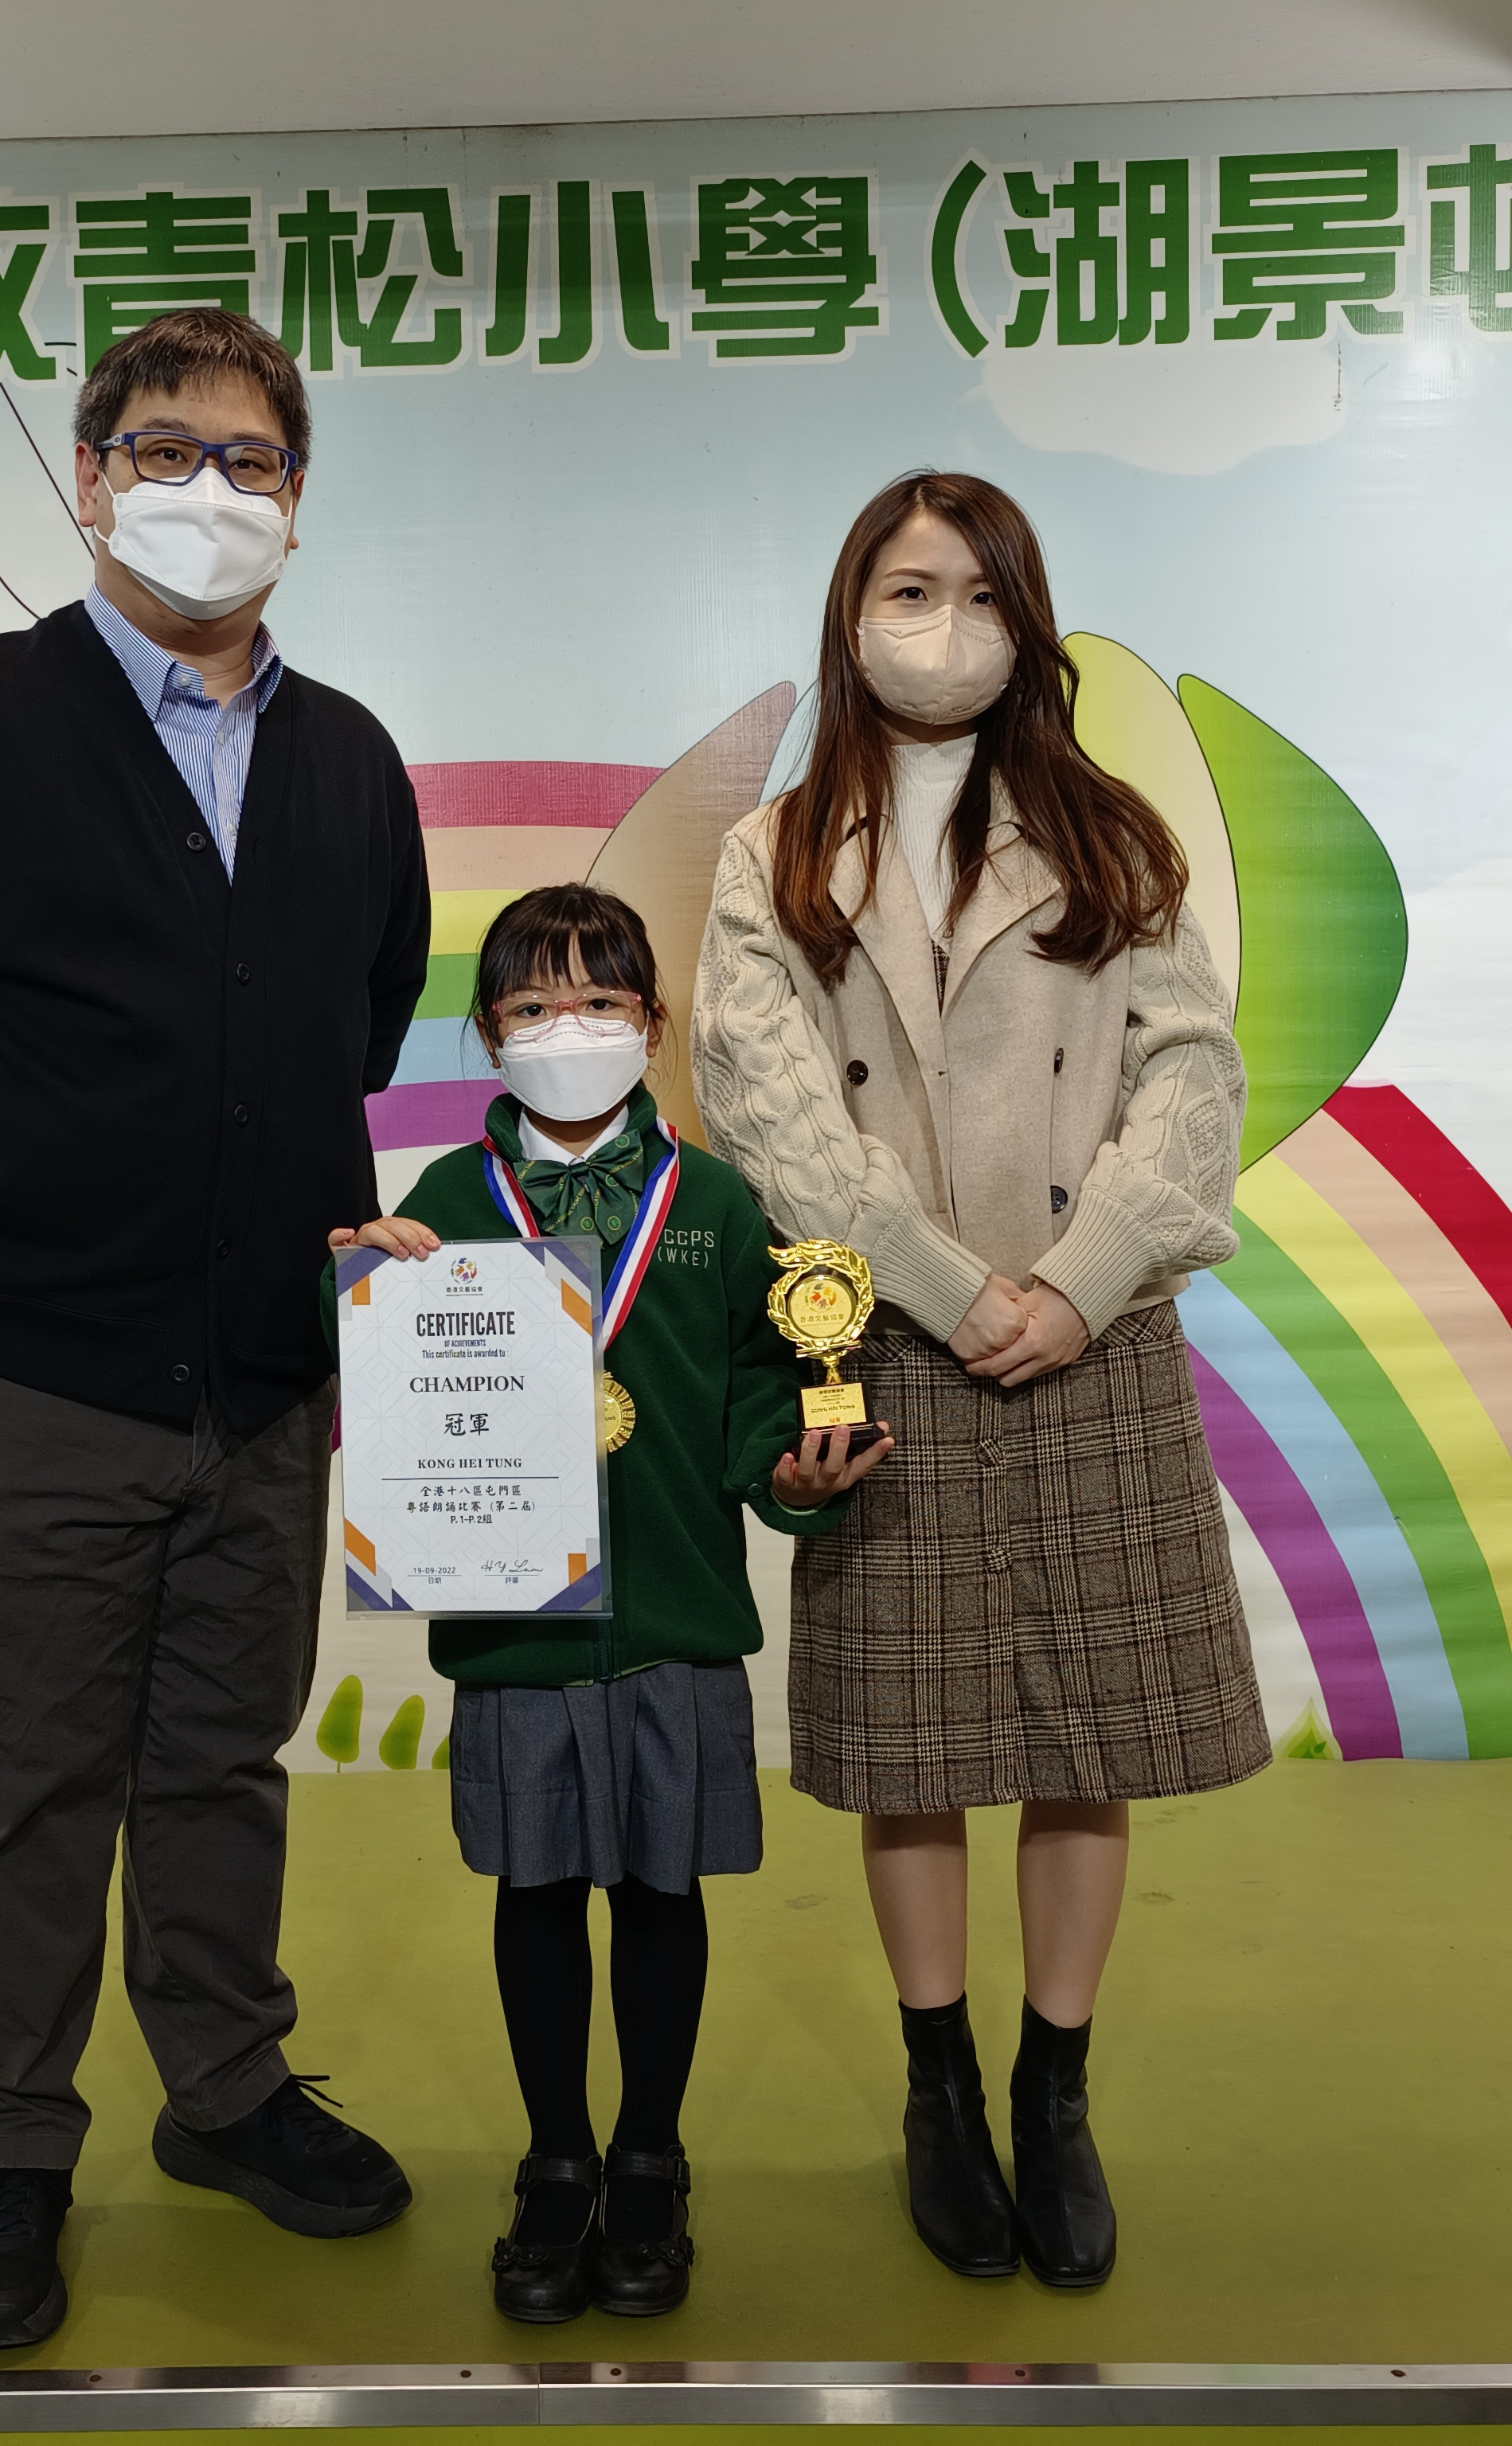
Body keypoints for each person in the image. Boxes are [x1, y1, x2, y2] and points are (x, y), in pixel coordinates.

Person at [0, 307, 432, 2354]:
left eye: (251, 459)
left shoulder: (349, 759)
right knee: (27, 1780)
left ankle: (225, 2087)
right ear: (87, 479)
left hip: (267, 1369)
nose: (207, 491)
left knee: (223, 1757)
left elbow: (360, 1013)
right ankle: (11, 2148)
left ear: (299, 501)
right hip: (29, 1365)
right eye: (164, 450)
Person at [690, 471, 1262, 2292]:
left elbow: (1193, 1073)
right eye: (907, 588)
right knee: (913, 1742)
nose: (943, 626)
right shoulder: (773, 852)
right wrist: (947, 1289)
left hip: (1098, 1334)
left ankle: (1052, 2085)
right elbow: (770, 1107)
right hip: (886, 1336)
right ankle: (937, 2082)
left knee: (1091, 1737)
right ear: (852, 614)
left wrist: (1081, 1281)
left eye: (980, 593)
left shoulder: (1112, 833)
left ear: (1028, 620)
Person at [331, 883, 889, 2323]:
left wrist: (793, 1474)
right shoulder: (444, 1205)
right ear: (487, 1033)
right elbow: (396, 1402)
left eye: (597, 1002)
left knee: (660, 1891)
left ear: (652, 1024)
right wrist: (363, 1299)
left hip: (677, 1615)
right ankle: (556, 2158)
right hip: (517, 1627)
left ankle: (650, 2154)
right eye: (532, 1006)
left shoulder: (717, 1203)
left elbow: (762, 1387)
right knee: (534, 1892)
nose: (564, 1028)